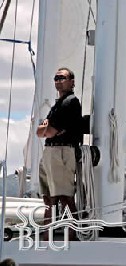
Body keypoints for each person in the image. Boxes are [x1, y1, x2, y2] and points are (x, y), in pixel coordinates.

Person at [36, 67, 82, 241]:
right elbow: (40, 132)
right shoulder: (58, 104)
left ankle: (71, 236)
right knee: (48, 198)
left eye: (62, 78)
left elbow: (48, 131)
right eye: (56, 78)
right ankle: (47, 235)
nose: (58, 81)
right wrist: (46, 128)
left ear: (72, 81)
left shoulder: (70, 102)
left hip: (62, 151)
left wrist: (47, 127)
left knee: (64, 197)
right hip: (51, 151)